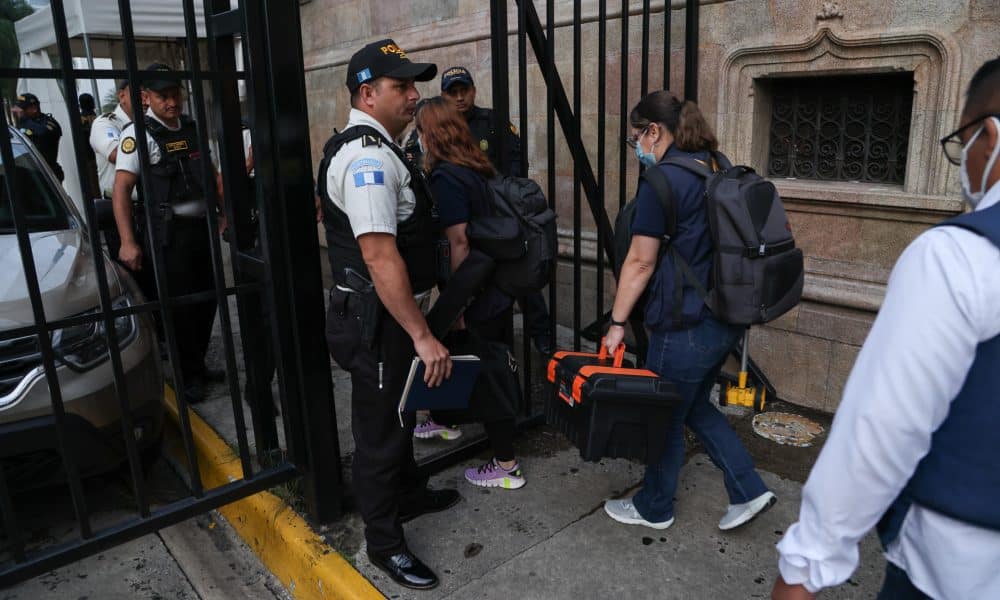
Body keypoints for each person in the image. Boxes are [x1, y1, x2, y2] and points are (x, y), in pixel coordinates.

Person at [772, 57, 1000, 600]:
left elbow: (880, 431)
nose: (962, 163)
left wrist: (806, 568)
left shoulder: (959, 256)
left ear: (987, 136)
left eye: (960, 141)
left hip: (951, 573)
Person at [318, 38, 459, 590]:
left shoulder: (381, 147)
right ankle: (384, 544)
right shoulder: (368, 159)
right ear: (367, 93)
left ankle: (408, 495)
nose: (414, 95)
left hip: (387, 317)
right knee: (379, 432)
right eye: (402, 86)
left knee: (402, 412)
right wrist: (423, 335)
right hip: (376, 321)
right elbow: (378, 255)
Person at [601, 90, 775, 532]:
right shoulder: (715, 164)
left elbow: (640, 261)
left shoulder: (662, 181)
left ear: (654, 132)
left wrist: (617, 323)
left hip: (683, 323)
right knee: (694, 405)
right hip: (724, 315)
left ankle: (654, 507)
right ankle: (748, 489)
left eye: (635, 138)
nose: (637, 148)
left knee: (662, 417)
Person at [414, 96, 526, 490]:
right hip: (492, 283)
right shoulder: (477, 167)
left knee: (486, 369)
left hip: (473, 288)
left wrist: (458, 301)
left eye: (420, 130)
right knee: (477, 358)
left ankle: (506, 464)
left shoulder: (446, 176)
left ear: (431, 134)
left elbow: (458, 241)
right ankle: (445, 420)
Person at [111, 63, 224, 405]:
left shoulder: (191, 128)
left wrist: (224, 212)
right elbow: (121, 191)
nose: (172, 102)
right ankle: (188, 374)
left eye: (176, 94)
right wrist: (128, 242)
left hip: (201, 229)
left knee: (208, 298)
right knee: (180, 308)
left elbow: (213, 174)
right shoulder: (137, 136)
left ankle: (198, 364)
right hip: (168, 235)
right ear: (145, 97)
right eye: (163, 96)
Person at [14, 92, 63, 181]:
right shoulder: (27, 124)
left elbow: (44, 133)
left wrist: (24, 121)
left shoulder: (48, 123)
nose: (19, 114)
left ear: (34, 109)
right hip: (31, 174)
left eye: (22, 110)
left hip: (48, 173)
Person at [78, 92, 99, 198]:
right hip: (100, 156)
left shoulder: (79, 121)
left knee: (92, 186)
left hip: (87, 157)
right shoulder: (98, 119)